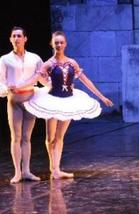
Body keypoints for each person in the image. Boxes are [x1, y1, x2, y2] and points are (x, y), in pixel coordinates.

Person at [23, 31, 113, 179]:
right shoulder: (48, 64)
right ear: (52, 44)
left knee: (59, 137)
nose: (59, 45)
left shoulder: (72, 62)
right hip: (52, 101)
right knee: (50, 138)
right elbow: (35, 78)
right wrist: (18, 86)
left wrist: (102, 97)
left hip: (69, 101)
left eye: (61, 42)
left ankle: (56, 170)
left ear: (65, 44)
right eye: (56, 43)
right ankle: (53, 167)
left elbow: (86, 80)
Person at [0, 27, 45, 184]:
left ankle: (26, 170)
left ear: (25, 39)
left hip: (30, 101)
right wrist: (5, 89)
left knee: (27, 137)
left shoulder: (34, 58)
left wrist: (54, 88)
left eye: (19, 36)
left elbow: (42, 77)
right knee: (16, 137)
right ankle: (17, 172)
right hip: (14, 101)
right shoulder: (4, 60)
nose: (16, 38)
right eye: (14, 36)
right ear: (10, 39)